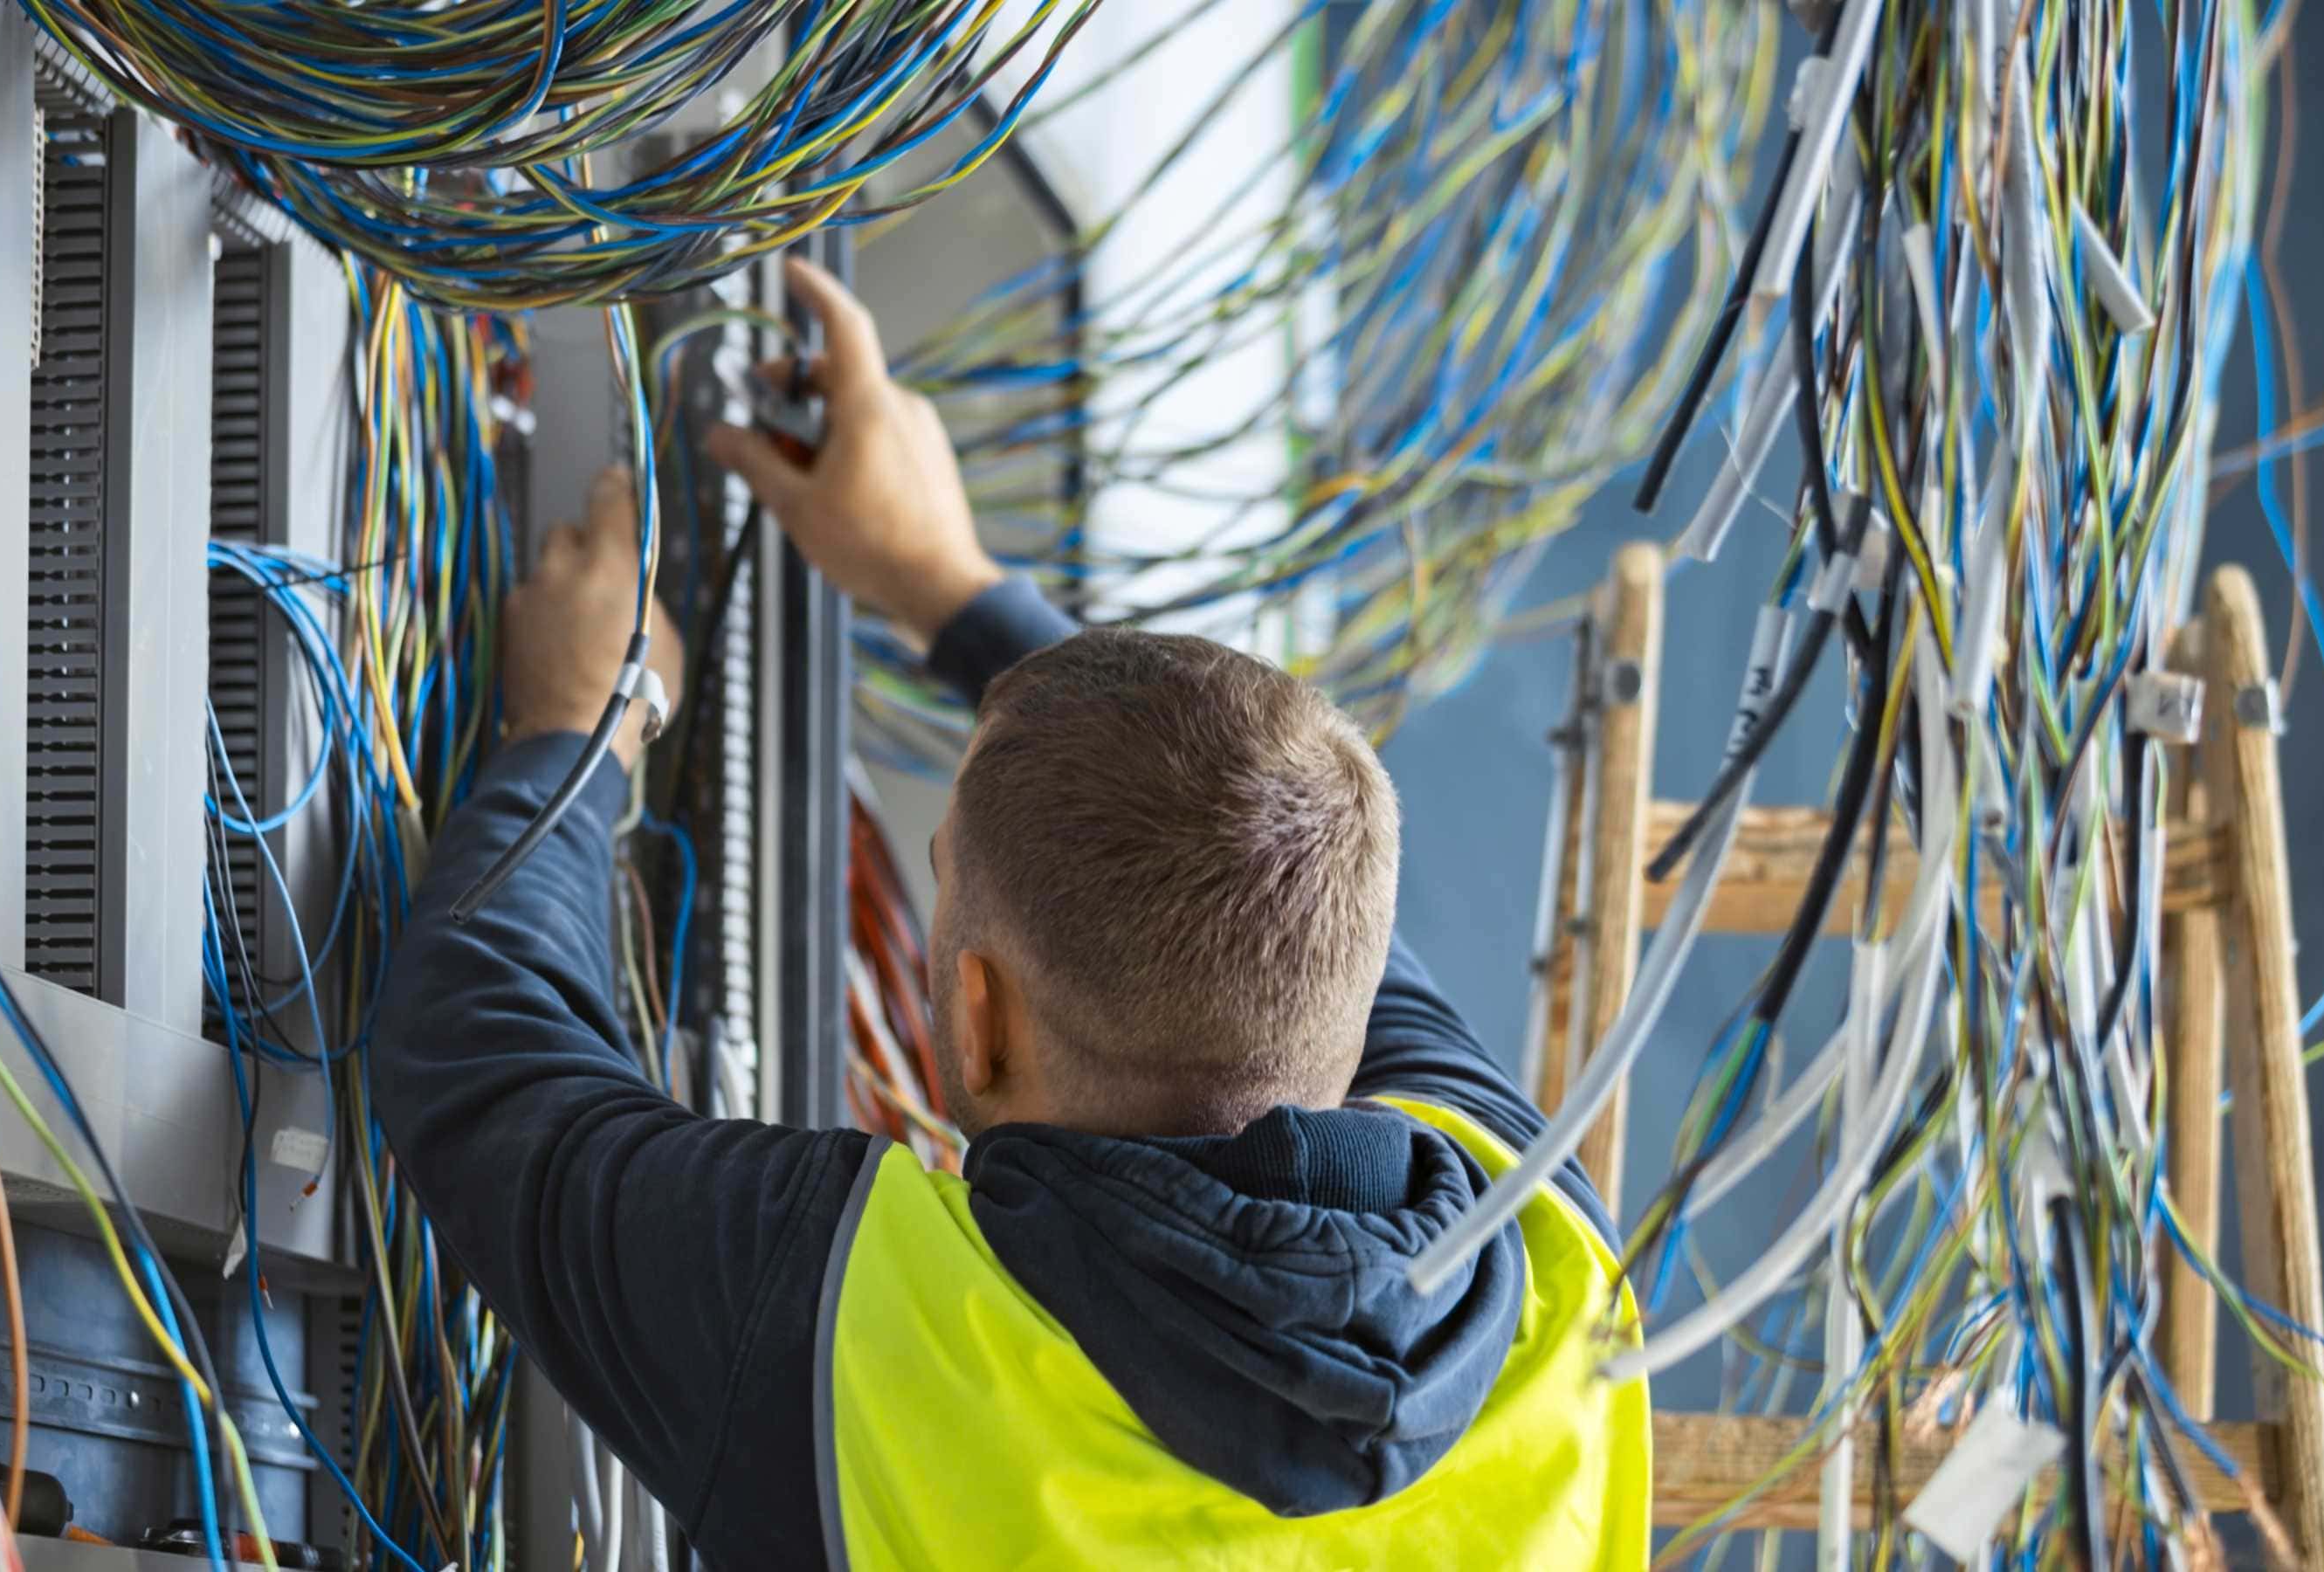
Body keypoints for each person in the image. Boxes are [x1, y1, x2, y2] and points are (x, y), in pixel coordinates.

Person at [375, 259, 1650, 1570]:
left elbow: (477, 1066)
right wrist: (946, 582)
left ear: (977, 1020)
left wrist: (585, 723)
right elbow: (1247, 859)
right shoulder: (1542, 1244)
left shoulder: (873, 1344)